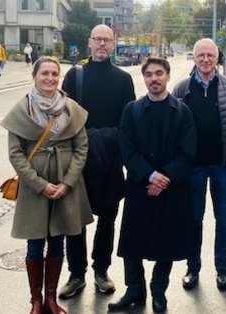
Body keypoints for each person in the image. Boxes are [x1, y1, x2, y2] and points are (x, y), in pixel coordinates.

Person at [0, 57, 94, 314]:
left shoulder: (71, 109)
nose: (50, 79)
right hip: (34, 187)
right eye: (45, 74)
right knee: (34, 243)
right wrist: (40, 184)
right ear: (34, 76)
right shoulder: (22, 110)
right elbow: (15, 153)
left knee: (57, 241)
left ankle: (51, 299)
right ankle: (35, 301)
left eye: (55, 74)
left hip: (66, 185)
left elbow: (81, 148)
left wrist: (67, 183)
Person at [109, 56, 196, 313]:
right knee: (133, 243)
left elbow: (188, 151)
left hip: (171, 189)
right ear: (144, 78)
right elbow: (126, 148)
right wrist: (149, 175)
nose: (154, 79)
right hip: (139, 187)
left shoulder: (182, 111)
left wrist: (164, 177)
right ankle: (134, 290)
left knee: (166, 243)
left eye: (159, 73)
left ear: (168, 76)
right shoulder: (132, 110)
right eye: (149, 74)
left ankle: (159, 291)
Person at [59, 24, 136, 299]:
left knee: (107, 219)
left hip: (110, 161)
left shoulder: (123, 79)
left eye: (107, 40)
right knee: (75, 221)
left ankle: (101, 271)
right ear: (89, 43)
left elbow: (129, 123)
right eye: (98, 39)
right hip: (78, 162)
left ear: (113, 44)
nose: (102, 44)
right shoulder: (75, 75)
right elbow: (62, 119)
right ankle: (76, 273)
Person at [172, 38, 226, 292]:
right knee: (193, 218)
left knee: (224, 218)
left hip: (222, 165)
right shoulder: (182, 88)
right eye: (201, 55)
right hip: (193, 168)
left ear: (217, 57)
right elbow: (174, 129)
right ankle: (193, 267)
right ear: (194, 57)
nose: (206, 60)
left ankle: (222, 269)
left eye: (210, 55)